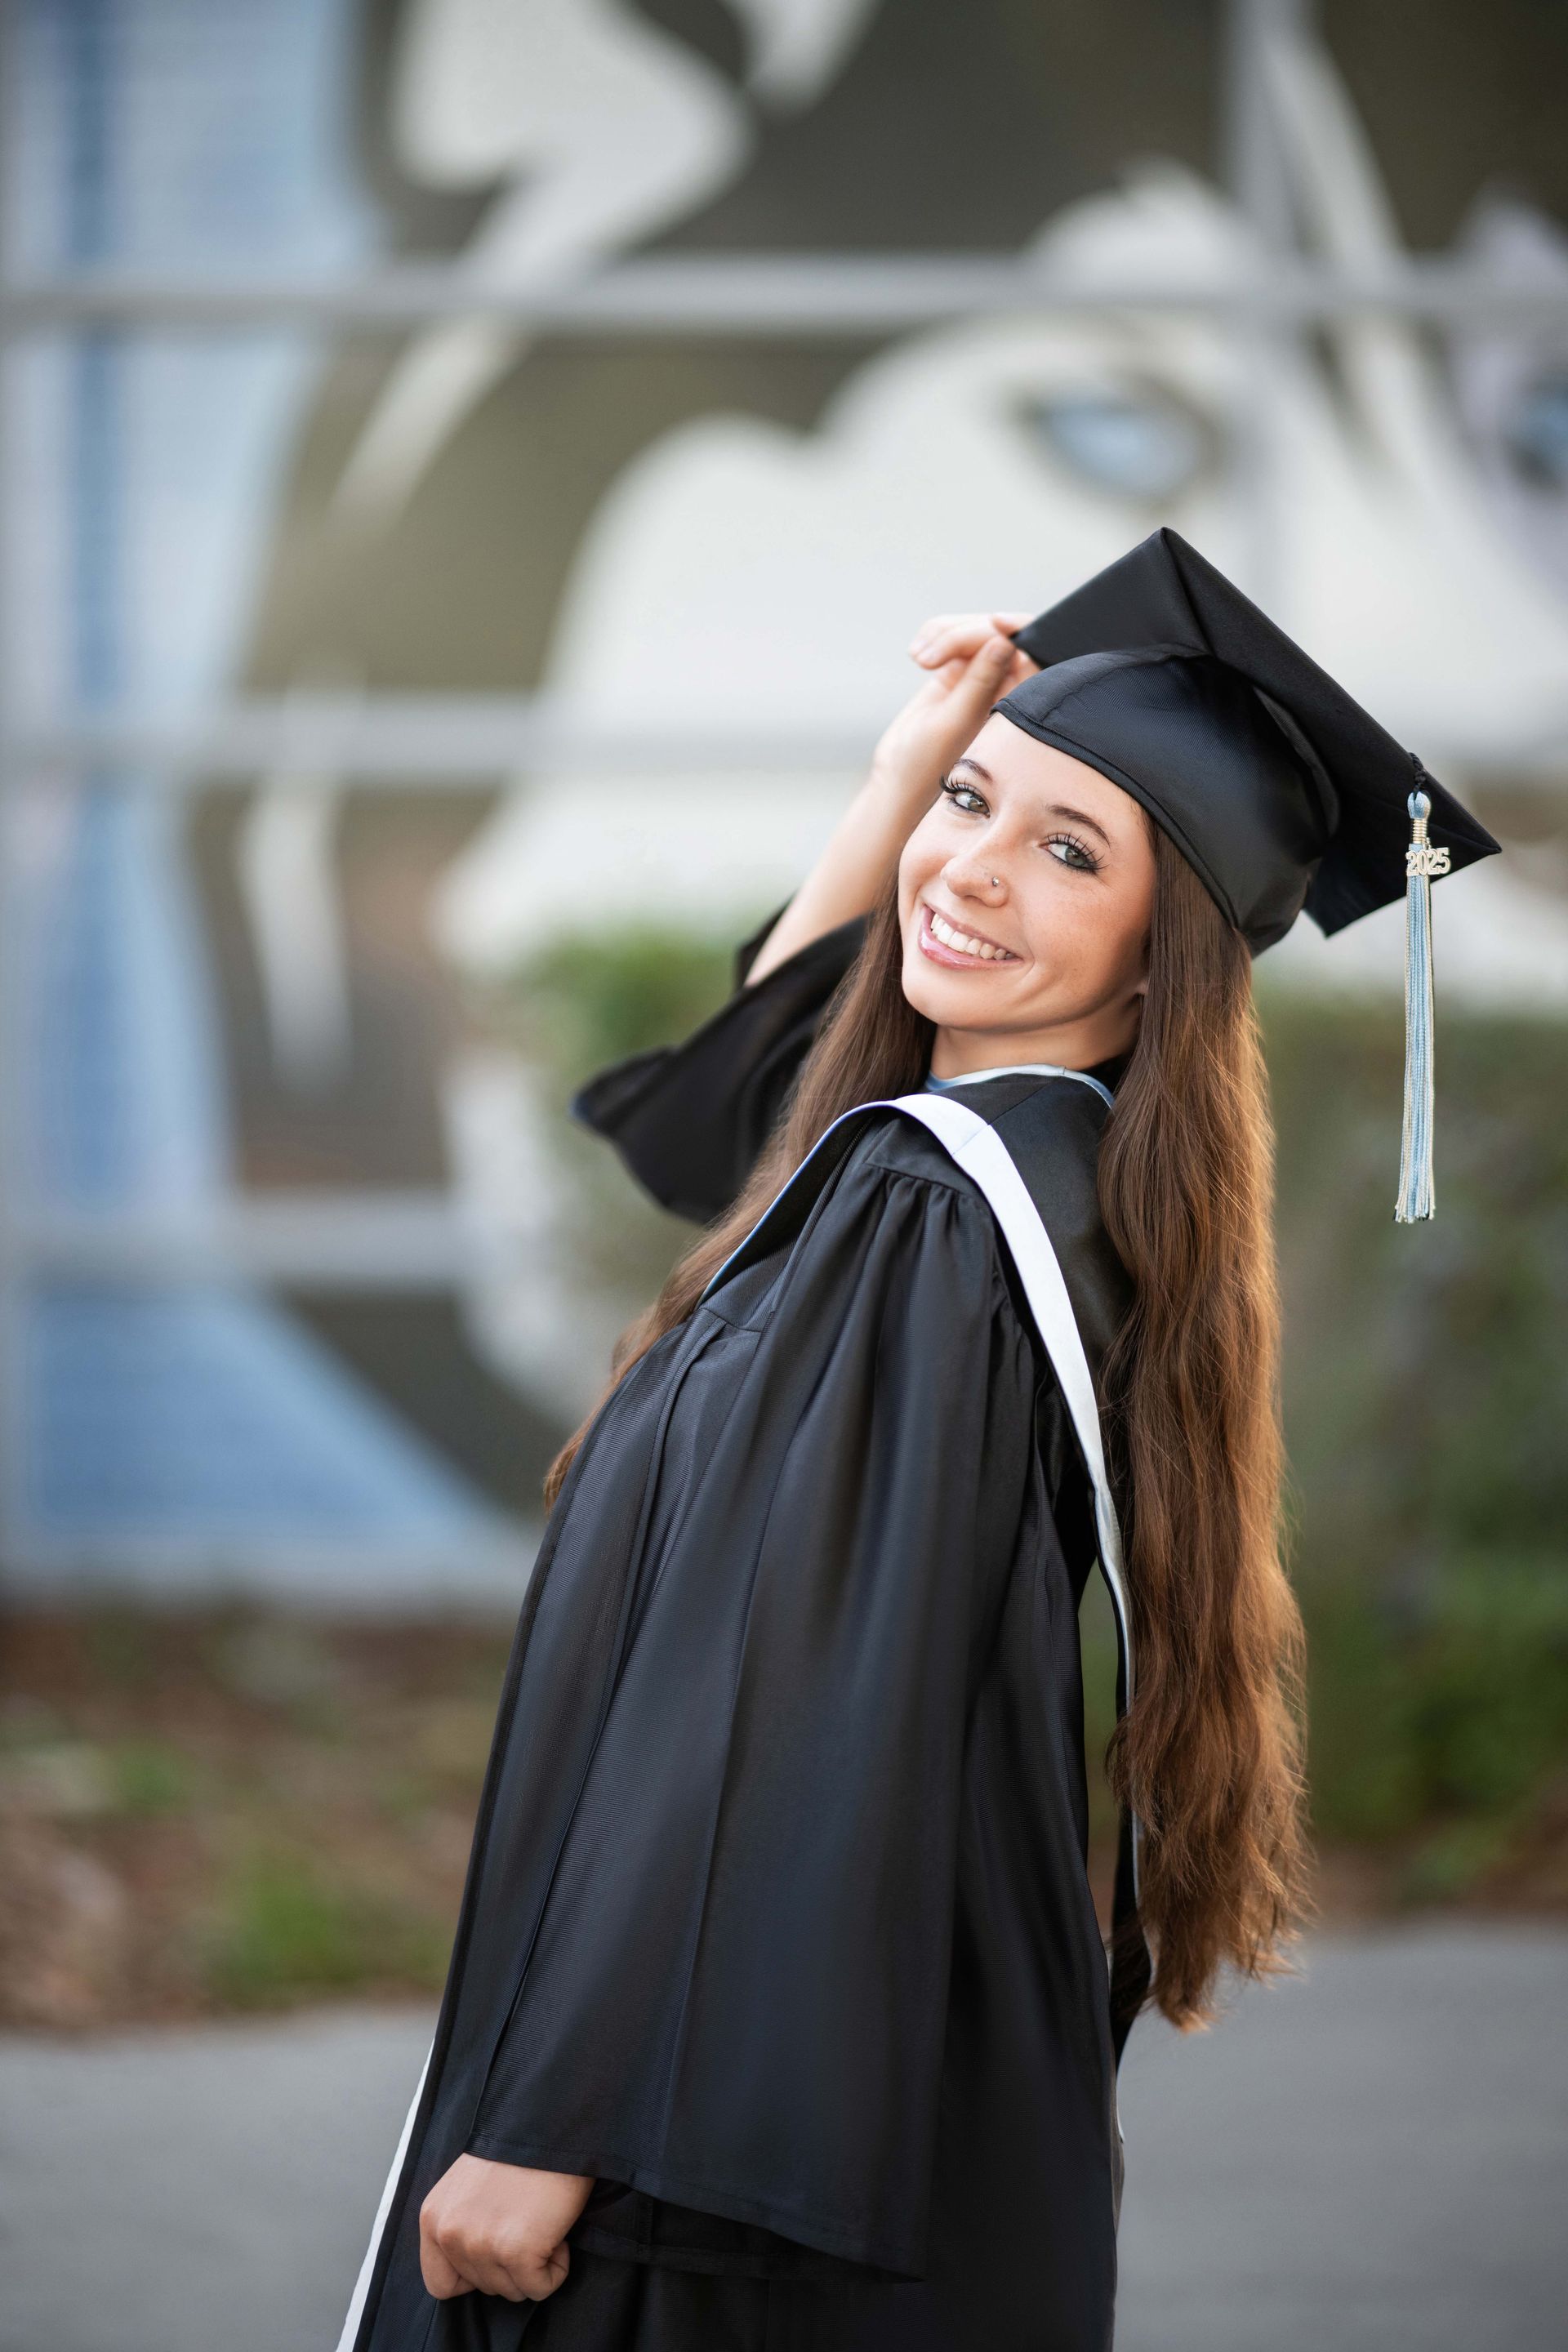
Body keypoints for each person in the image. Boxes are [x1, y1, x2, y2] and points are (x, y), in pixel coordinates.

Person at [338, 530, 1499, 2352]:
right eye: (969, 803)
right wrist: (906, 772)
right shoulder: (1026, 1179)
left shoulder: (937, 1220)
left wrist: (553, 2130)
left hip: (699, 2133)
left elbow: (775, 1695)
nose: (963, 869)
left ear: (1163, 948)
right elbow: (711, 1132)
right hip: (841, 2064)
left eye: (1067, 848)